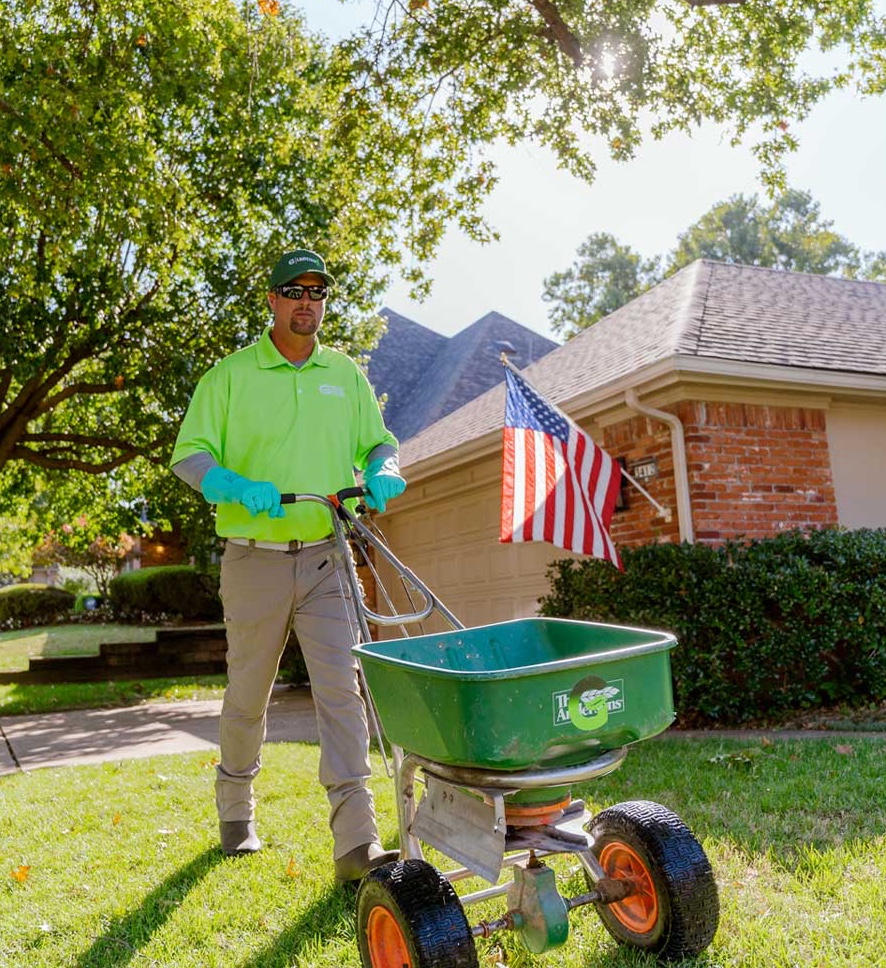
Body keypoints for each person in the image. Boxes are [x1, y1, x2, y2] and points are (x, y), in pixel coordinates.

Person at [170, 247, 405, 884]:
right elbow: (189, 455)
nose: (308, 301)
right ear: (272, 300)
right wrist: (232, 485)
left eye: (318, 291)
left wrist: (383, 464)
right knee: (249, 694)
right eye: (294, 290)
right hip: (254, 562)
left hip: (329, 556)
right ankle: (236, 812)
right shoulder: (230, 375)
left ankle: (357, 842)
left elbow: (376, 439)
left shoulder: (345, 374)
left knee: (343, 694)